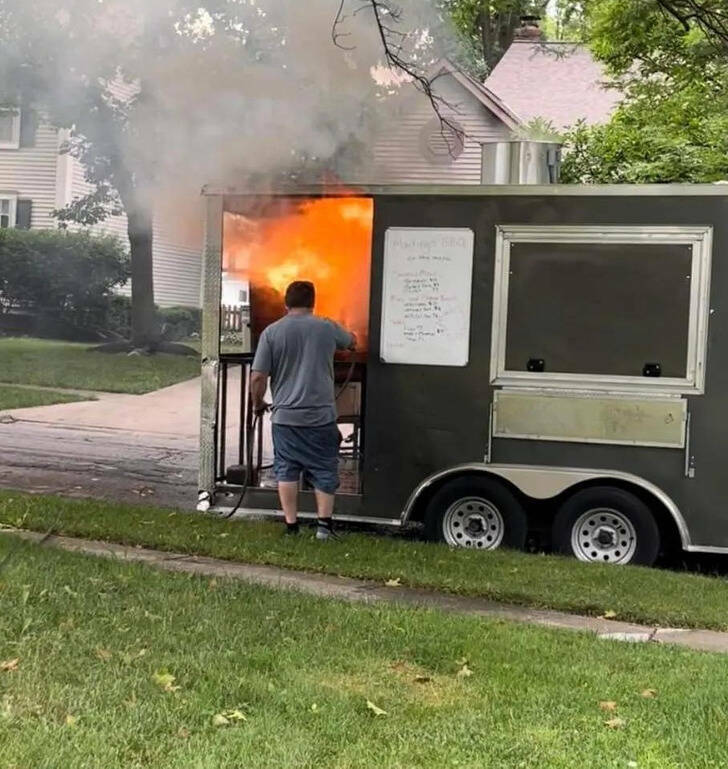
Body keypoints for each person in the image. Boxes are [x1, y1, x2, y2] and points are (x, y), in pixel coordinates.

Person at [250, 280, 355, 540]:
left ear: (286, 303)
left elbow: (257, 377)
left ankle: (291, 526)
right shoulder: (326, 327)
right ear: (313, 303)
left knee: (286, 469)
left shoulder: (272, 333)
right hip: (321, 417)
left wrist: (258, 403)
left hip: (286, 418)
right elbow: (351, 341)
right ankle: (323, 528)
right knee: (324, 469)